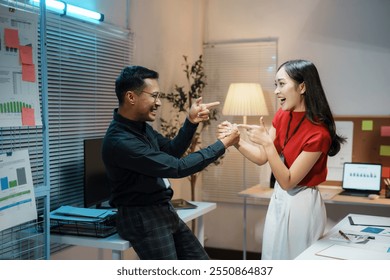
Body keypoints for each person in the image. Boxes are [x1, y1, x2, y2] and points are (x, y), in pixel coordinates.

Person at [102, 65, 240, 260]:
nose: (158, 103)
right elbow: (177, 167)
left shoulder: (140, 128)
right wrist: (223, 144)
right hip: (141, 217)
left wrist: (191, 122)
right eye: (154, 96)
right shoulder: (121, 141)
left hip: (161, 209)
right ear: (131, 97)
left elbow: (171, 152)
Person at [218, 59, 346, 260]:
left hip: (302, 203)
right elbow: (262, 157)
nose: (276, 91)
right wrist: (236, 141)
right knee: (272, 256)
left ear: (302, 86)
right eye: (275, 84)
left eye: (281, 84)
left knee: (295, 261)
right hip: (279, 198)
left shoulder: (319, 133)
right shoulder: (282, 115)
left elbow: (288, 181)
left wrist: (267, 143)